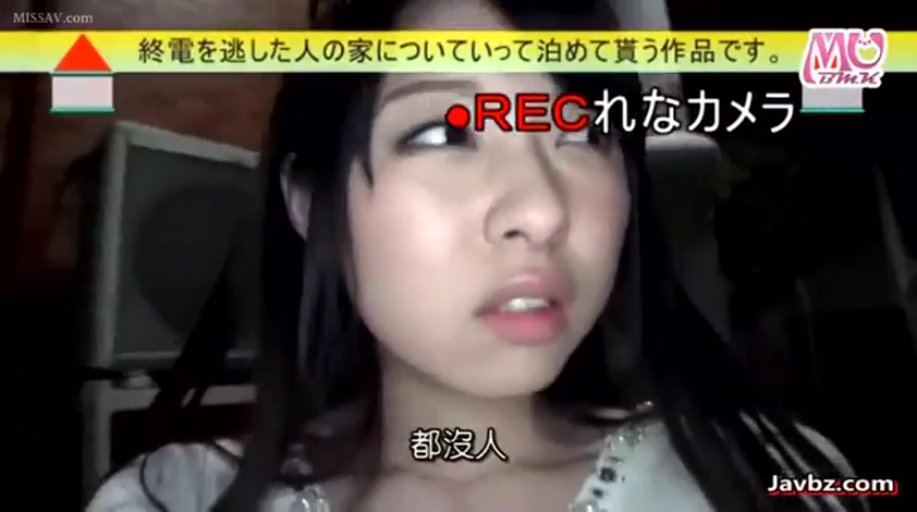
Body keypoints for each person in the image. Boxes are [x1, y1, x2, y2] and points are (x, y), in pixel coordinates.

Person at [86, 0, 867, 510]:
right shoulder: (171, 501)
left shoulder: (770, 476)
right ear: (311, 202)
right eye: (443, 133)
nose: (541, 209)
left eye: (579, 131)